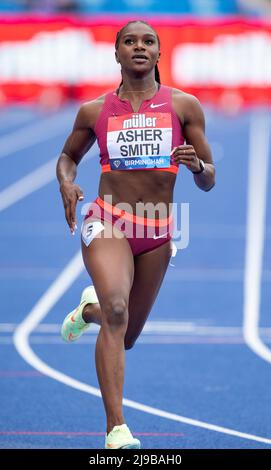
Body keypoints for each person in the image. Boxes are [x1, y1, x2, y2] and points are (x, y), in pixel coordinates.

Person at [56, 19, 215, 450]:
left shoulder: (185, 107)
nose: (139, 47)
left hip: (158, 232)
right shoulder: (95, 111)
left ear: (159, 53)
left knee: (122, 334)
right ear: (117, 53)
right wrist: (66, 182)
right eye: (130, 41)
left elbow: (209, 178)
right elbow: (68, 157)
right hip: (108, 220)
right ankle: (116, 430)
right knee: (118, 307)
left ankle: (88, 312)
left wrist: (197, 166)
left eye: (148, 41)